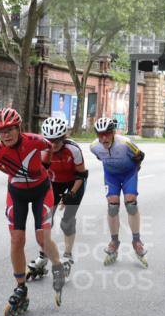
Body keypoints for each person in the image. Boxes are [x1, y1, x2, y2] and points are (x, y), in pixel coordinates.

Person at [0, 108, 68, 314]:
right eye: (1, 131)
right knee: (16, 240)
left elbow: (50, 147)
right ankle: (20, 288)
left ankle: (58, 267)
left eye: (10, 129)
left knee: (42, 238)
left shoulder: (35, 140)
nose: (5, 135)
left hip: (42, 191)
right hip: (17, 193)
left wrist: (45, 164)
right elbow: (5, 169)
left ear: (19, 128)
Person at [27, 116, 87, 278]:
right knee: (46, 220)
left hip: (75, 183)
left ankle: (67, 256)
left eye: (57, 141)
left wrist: (71, 194)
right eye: (49, 141)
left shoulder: (73, 150)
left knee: (67, 222)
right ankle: (43, 257)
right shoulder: (42, 150)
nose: (53, 145)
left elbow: (82, 175)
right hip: (54, 182)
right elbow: (39, 173)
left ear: (64, 138)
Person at [89, 117, 148, 265]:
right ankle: (114, 242)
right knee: (113, 206)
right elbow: (99, 157)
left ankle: (136, 241)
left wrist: (137, 167)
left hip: (129, 173)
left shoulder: (125, 143)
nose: (103, 138)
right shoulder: (94, 147)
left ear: (113, 133)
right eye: (100, 134)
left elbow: (141, 155)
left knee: (131, 203)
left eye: (107, 133)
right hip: (111, 176)